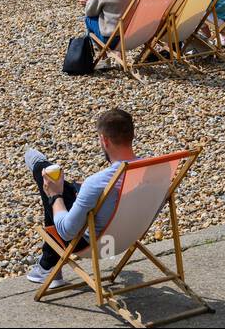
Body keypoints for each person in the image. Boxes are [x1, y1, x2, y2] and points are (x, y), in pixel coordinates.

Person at [23, 108, 139, 285]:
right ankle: (47, 265)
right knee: (72, 188)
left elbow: (67, 231)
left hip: (98, 244)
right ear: (132, 135)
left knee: (48, 181)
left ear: (104, 140)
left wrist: (55, 196)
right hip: (131, 235)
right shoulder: (155, 170)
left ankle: (41, 167)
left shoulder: (97, 182)